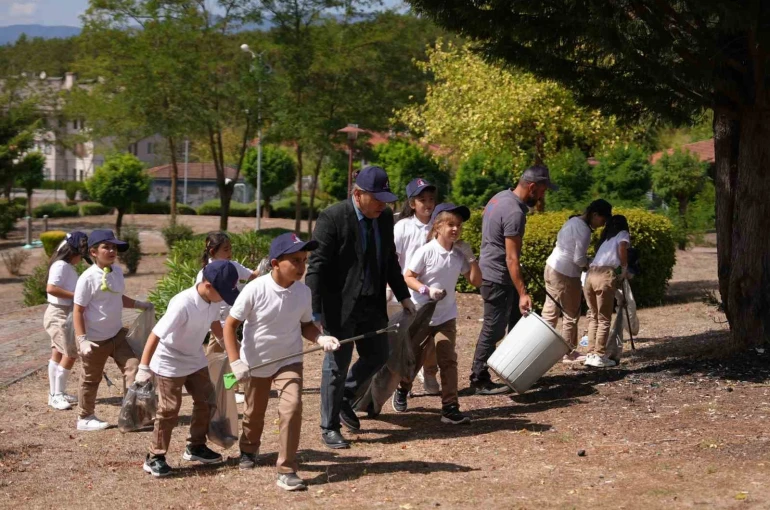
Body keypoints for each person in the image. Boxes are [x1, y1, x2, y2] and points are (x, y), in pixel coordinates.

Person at [306, 165, 415, 450]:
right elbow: (316, 266)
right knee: (336, 367)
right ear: (358, 195)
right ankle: (330, 427)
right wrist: (313, 312)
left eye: (385, 199)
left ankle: (345, 396)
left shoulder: (384, 218)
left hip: (371, 302)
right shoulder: (333, 217)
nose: (382, 205)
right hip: (339, 306)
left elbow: (390, 260)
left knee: (378, 354)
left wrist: (403, 296)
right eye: (377, 199)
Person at [224, 233, 341, 491]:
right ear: (275, 263)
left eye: (304, 260)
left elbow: (306, 325)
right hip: (255, 363)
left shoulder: (303, 292)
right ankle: (248, 449)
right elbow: (230, 326)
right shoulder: (255, 289)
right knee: (254, 413)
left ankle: (287, 469)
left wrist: (320, 338)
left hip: (289, 361)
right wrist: (236, 362)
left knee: (292, 407)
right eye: (295, 261)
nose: (301, 266)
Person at [137, 260, 240, 477]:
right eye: (222, 293)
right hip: (169, 360)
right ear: (208, 285)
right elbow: (155, 334)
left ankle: (196, 446)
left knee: (207, 400)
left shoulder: (213, 300)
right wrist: (144, 367)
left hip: (194, 358)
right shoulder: (183, 304)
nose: (224, 299)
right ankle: (154, 456)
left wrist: (232, 350)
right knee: (169, 409)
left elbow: (215, 326)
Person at [469, 165, 557, 395]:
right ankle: (479, 379)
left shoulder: (499, 198)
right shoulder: (514, 212)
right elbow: (511, 258)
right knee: (494, 329)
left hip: (490, 271)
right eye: (542, 191)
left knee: (515, 324)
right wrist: (522, 293)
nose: (542, 196)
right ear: (532, 187)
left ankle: (513, 370)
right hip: (498, 277)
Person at [393, 203, 482, 423]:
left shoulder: (458, 255)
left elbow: (476, 281)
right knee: (414, 358)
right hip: (422, 314)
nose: (455, 229)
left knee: (448, 359)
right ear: (438, 226)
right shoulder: (426, 251)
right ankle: (403, 388)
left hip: (446, 317)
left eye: (458, 225)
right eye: (450, 224)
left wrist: (471, 258)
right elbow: (408, 276)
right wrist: (426, 290)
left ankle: (450, 407)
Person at [72, 229, 153, 431]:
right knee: (91, 379)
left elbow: (117, 297)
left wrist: (138, 304)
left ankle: (134, 415)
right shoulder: (87, 278)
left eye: (114, 247)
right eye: (106, 247)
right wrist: (82, 339)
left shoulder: (116, 272)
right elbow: (78, 310)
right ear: (93, 252)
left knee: (135, 367)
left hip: (117, 334)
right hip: (94, 339)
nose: (111, 251)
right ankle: (85, 417)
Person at [542, 199, 613, 363]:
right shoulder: (584, 230)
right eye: (602, 220)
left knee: (550, 312)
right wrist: (591, 263)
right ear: (595, 215)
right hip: (566, 273)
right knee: (570, 314)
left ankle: (540, 350)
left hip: (551, 266)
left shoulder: (572, 221)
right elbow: (579, 259)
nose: (602, 225)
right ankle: (568, 352)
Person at [196, 231, 261, 404]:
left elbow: (252, 275)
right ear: (212, 251)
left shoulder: (232, 266)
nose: (230, 252)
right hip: (216, 322)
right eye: (225, 249)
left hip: (230, 320)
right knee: (232, 354)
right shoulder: (204, 275)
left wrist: (264, 267)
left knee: (217, 357)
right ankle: (230, 389)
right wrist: (217, 332)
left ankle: (219, 388)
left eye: (230, 248)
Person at [393, 177, 440, 395]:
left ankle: (429, 373)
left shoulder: (439, 225)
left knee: (431, 338)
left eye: (431, 199)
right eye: (422, 200)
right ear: (412, 203)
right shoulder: (402, 227)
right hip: (409, 294)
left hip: (435, 293)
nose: (428, 204)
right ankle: (402, 381)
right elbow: (394, 260)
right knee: (408, 340)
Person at [44, 231, 90, 410]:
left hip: (64, 313)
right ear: (73, 252)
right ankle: (56, 395)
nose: (81, 260)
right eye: (81, 256)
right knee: (70, 354)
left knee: (57, 352)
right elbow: (51, 288)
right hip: (59, 314)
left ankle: (56, 392)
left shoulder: (66, 266)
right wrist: (77, 296)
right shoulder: (61, 266)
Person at [583, 215, 631, 368]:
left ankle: (590, 354)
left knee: (594, 317)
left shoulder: (606, 239)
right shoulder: (622, 234)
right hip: (604, 275)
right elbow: (622, 248)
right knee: (604, 318)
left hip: (590, 275)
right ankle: (599, 355)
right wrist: (624, 268)